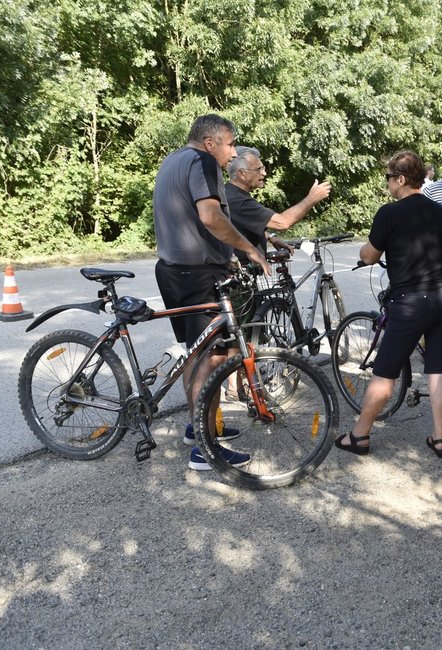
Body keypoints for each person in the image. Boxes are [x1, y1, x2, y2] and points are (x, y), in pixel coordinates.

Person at [152, 114, 271, 470]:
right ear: (210, 143)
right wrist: (248, 249)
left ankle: (198, 429)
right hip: (197, 276)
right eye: (231, 143)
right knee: (212, 358)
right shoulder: (203, 162)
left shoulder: (173, 160)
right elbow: (210, 217)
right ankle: (206, 448)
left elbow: (194, 221)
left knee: (196, 354)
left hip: (174, 271)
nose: (233, 153)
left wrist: (227, 256)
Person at [334, 151, 442, 458]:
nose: (388, 184)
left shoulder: (388, 213)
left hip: (412, 301)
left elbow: (369, 255)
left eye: (389, 178)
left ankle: (360, 435)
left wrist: (370, 249)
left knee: (384, 372)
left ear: (401, 180)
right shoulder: (438, 209)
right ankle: (440, 438)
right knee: (440, 367)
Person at [225, 146, 332, 257]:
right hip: (243, 269)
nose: (264, 173)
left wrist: (270, 237)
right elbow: (282, 222)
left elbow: (241, 226)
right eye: (258, 170)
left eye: (263, 168)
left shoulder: (228, 192)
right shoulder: (239, 202)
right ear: (242, 174)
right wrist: (312, 198)